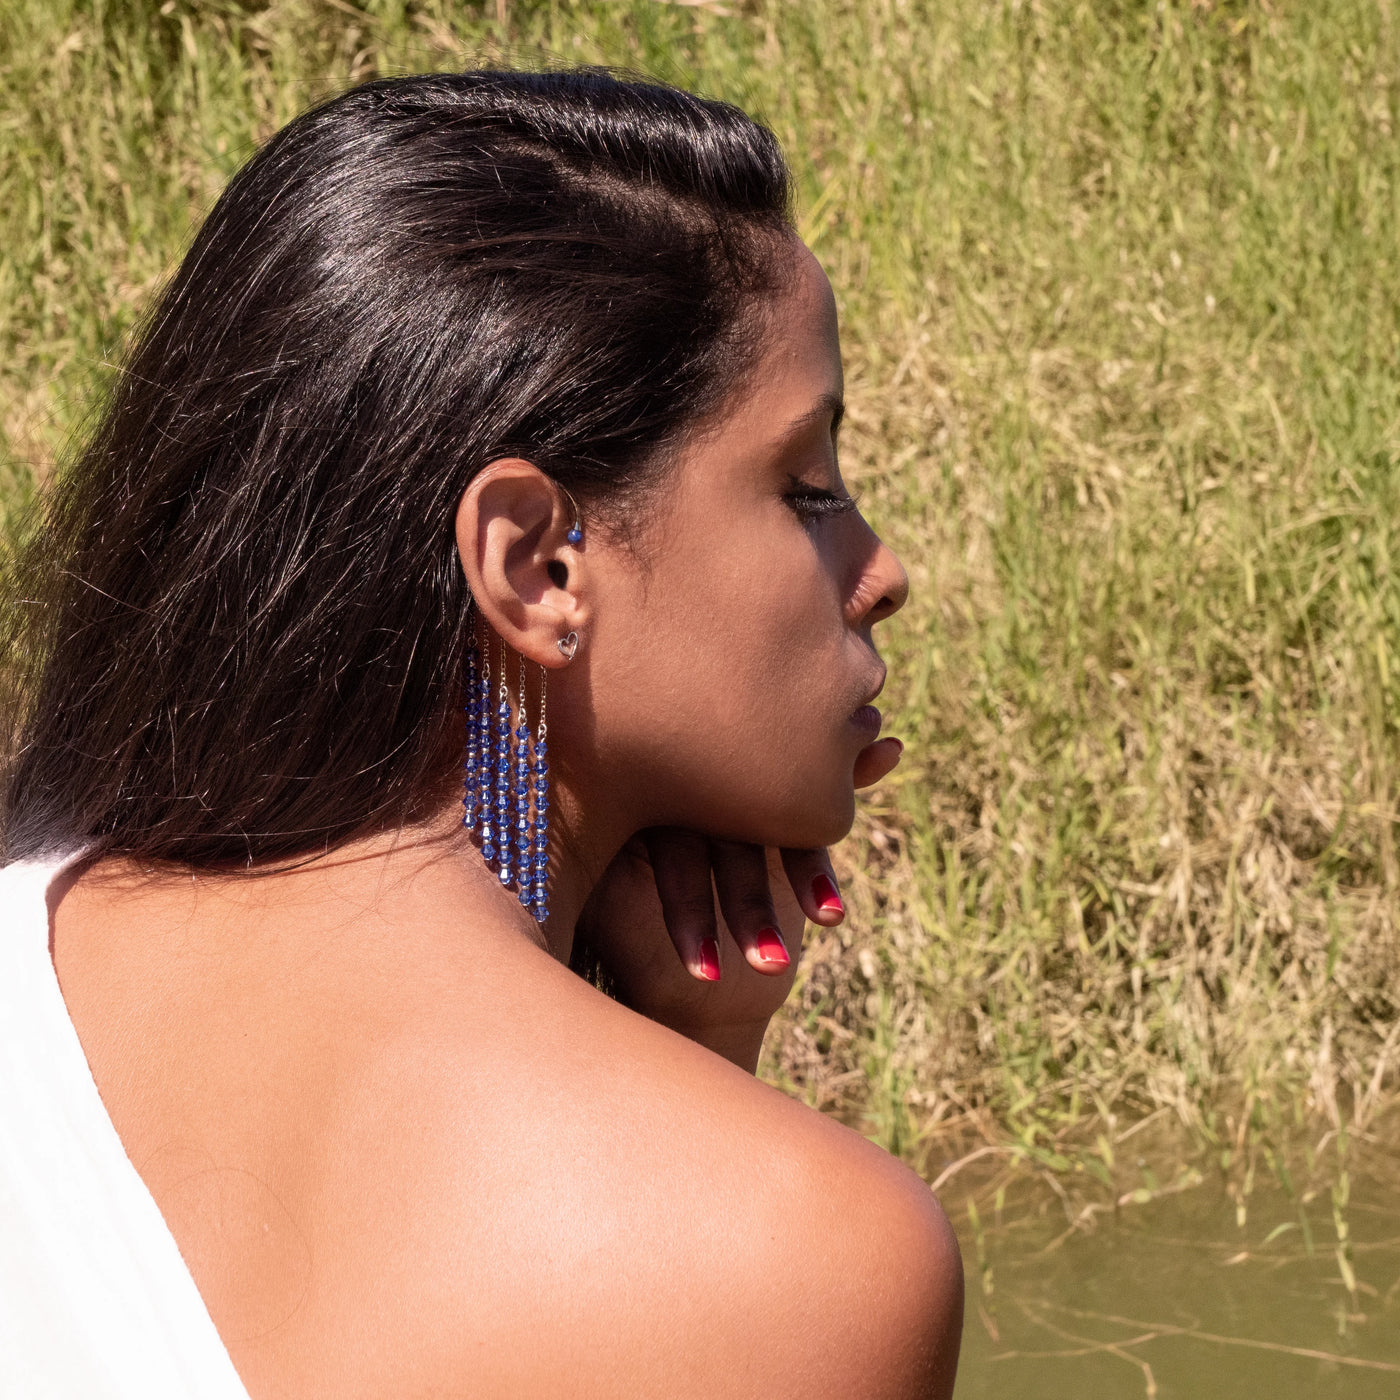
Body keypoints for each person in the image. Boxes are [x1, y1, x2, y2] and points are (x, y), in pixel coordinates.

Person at [0, 69, 963, 1398]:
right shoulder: (808, 1253)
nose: (882, 568)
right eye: (804, 490)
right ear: (534, 569)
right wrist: (705, 1095)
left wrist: (677, 1059)